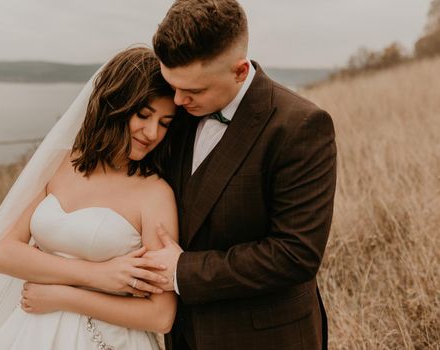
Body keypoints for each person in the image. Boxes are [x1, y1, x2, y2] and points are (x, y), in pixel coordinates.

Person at [0, 47, 179, 350]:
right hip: (33, 331)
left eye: (165, 123)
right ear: (114, 106)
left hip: (107, 339)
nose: (152, 132)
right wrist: (98, 274)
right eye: (143, 115)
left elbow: (161, 316)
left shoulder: (155, 194)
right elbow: (2, 254)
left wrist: (65, 296)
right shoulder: (59, 164)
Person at [142, 1, 338, 349]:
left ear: (239, 70)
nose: (178, 98)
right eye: (173, 84)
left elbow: (295, 254)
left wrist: (182, 271)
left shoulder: (300, 126)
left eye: (195, 90)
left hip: (266, 337)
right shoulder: (175, 112)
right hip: (184, 336)